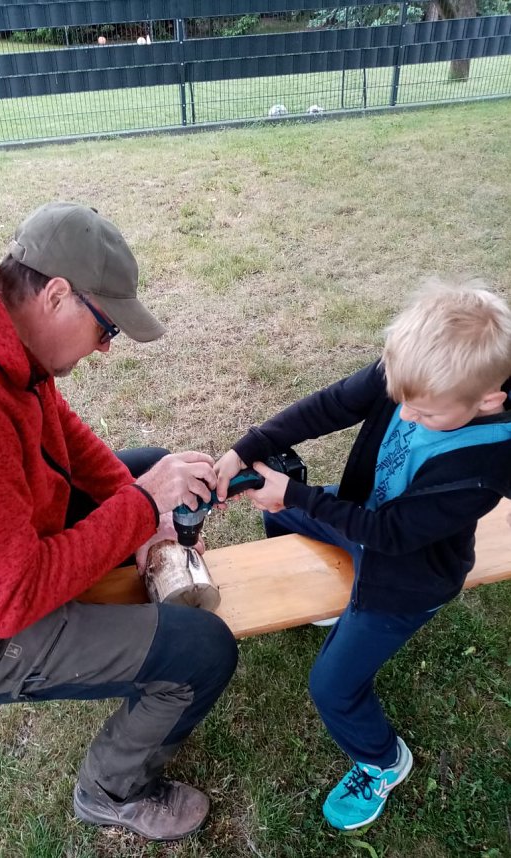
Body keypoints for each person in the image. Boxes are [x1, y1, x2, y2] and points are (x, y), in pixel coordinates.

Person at [0, 202, 238, 841]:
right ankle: (112, 790)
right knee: (203, 651)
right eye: (106, 328)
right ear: (58, 295)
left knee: (140, 470)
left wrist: (138, 505)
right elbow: (9, 601)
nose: (106, 347)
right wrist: (141, 507)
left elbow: (58, 426)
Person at [214, 280, 511, 831]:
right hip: (365, 523)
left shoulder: (485, 464)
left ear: (488, 401)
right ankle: (331, 605)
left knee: (331, 688)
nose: (407, 416)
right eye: (401, 401)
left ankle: (382, 762)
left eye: (424, 413)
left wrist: (297, 494)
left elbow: (391, 534)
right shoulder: (415, 373)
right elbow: (331, 405)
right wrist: (247, 448)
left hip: (407, 578)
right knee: (280, 518)